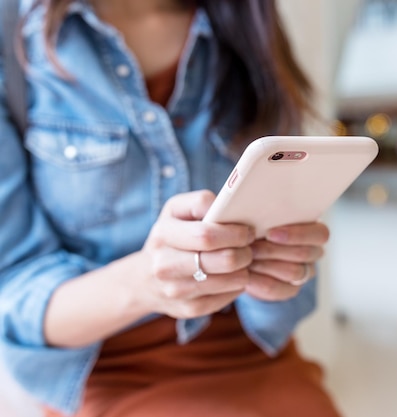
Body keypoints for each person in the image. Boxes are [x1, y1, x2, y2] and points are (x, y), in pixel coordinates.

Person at [0, 1, 342, 416]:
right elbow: (13, 301)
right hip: (105, 373)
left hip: (256, 357)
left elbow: (284, 312)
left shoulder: (250, 25)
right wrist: (145, 283)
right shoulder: (13, 34)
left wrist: (282, 275)